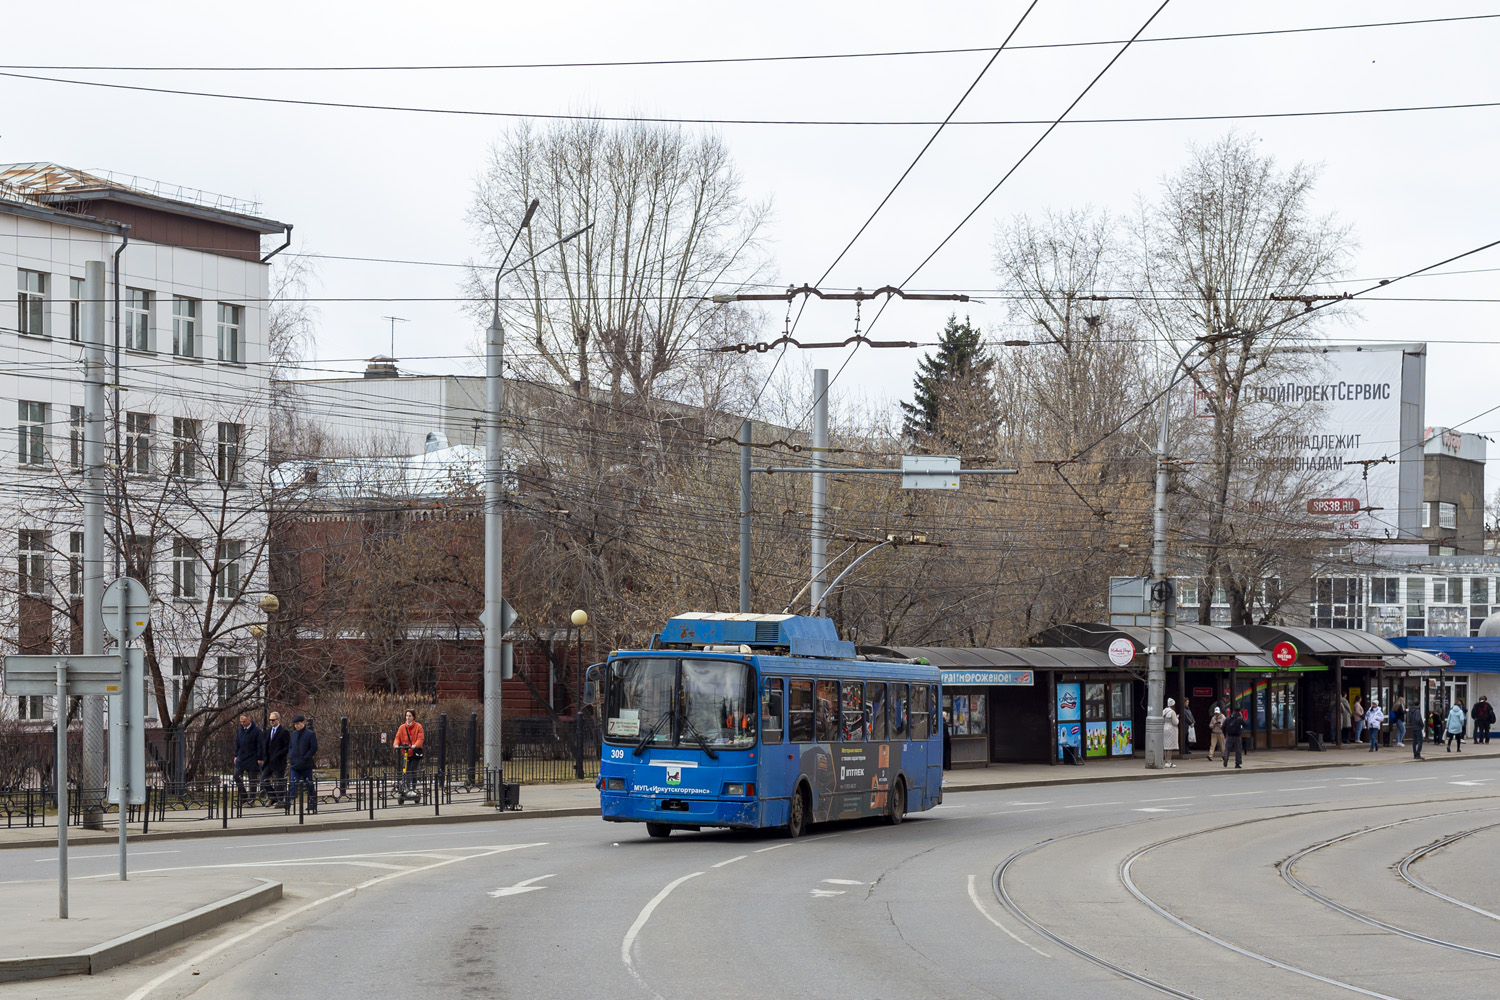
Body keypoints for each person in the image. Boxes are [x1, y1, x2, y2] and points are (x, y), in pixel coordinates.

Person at [287, 715, 319, 813]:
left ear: (302, 723)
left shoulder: (310, 734)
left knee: (309, 784)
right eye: (295, 724)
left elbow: (314, 747)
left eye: (298, 724)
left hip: (306, 764)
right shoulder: (294, 734)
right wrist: (291, 756)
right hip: (295, 764)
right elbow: (291, 746)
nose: (296, 726)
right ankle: (289, 801)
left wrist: (306, 757)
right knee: (293, 783)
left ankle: (311, 802)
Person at [261, 712, 290, 807]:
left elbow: (287, 747)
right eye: (270, 720)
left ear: (278, 720)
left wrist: (278, 754)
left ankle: (280, 800)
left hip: (278, 760)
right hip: (268, 760)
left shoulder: (283, 732)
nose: (271, 722)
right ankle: (273, 797)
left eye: (273, 720)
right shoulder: (268, 732)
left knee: (279, 781)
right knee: (264, 779)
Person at [232, 713, 262, 800]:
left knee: (252, 780)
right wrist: (236, 755)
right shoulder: (240, 730)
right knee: (236, 775)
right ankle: (244, 795)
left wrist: (260, 758)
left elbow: (260, 745)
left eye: (244, 721)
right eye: (241, 722)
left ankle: (252, 798)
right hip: (241, 756)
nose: (242, 723)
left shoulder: (256, 730)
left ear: (249, 720)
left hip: (252, 757)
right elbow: (237, 743)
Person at [394, 709, 426, 791]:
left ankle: (414, 788)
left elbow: (420, 738)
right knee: (407, 770)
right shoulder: (402, 727)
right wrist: (396, 744)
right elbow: (398, 737)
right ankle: (407, 788)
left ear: (413, 717)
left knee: (413, 770)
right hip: (406, 753)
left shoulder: (418, 727)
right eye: (407, 716)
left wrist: (415, 745)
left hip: (415, 753)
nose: (408, 718)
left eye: (410, 716)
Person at [1162, 699, 1179, 768]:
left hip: (1164, 728)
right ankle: (1169, 762)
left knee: (1166, 746)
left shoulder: (1164, 710)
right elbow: (1175, 722)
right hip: (1171, 729)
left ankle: (1166, 761)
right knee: (1170, 747)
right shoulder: (1172, 712)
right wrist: (1177, 718)